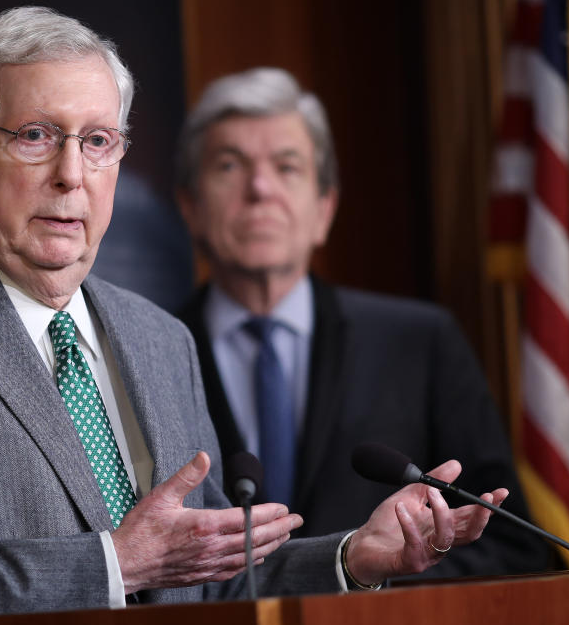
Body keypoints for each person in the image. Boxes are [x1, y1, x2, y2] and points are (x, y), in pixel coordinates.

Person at [0, 7, 506, 625]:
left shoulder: (160, 338)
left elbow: (214, 578)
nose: (71, 174)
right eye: (36, 134)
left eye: (97, 142)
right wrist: (113, 564)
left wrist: (355, 556)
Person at [175, 67, 548, 579]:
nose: (259, 188)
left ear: (324, 209)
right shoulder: (145, 350)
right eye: (229, 166)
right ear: (190, 206)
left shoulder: (420, 343)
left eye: (287, 167)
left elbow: (514, 546)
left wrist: (376, 581)